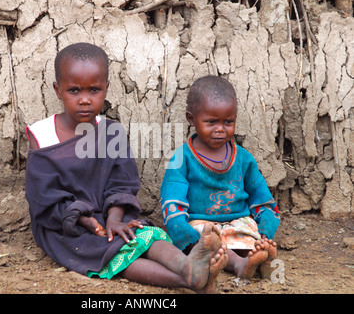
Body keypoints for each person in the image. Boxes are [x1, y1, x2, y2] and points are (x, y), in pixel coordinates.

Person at [24, 42, 227, 293]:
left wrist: (115, 218)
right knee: (112, 252)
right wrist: (86, 220)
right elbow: (43, 197)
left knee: (143, 235)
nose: (85, 100)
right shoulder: (41, 136)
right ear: (58, 90)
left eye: (94, 90)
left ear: (106, 89)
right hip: (65, 226)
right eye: (74, 90)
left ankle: (187, 265)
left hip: (111, 214)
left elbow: (122, 184)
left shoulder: (111, 132)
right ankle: (189, 279)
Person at [160, 75, 280, 279]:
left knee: (248, 236)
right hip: (201, 225)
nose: (220, 130)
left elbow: (262, 198)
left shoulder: (243, 159)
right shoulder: (182, 159)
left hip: (238, 222)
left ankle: (257, 256)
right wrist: (184, 233)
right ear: (191, 119)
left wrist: (265, 231)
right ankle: (241, 264)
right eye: (211, 122)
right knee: (205, 243)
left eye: (228, 122)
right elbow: (172, 202)